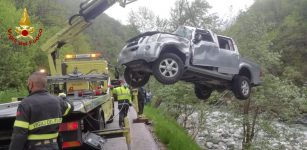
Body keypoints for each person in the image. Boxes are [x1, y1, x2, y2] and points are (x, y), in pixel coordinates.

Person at [9, 72, 73, 150]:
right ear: (45, 84)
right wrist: (63, 98)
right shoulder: (57, 100)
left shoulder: (25, 104)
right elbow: (70, 107)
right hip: (54, 146)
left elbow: (19, 134)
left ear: (31, 84)